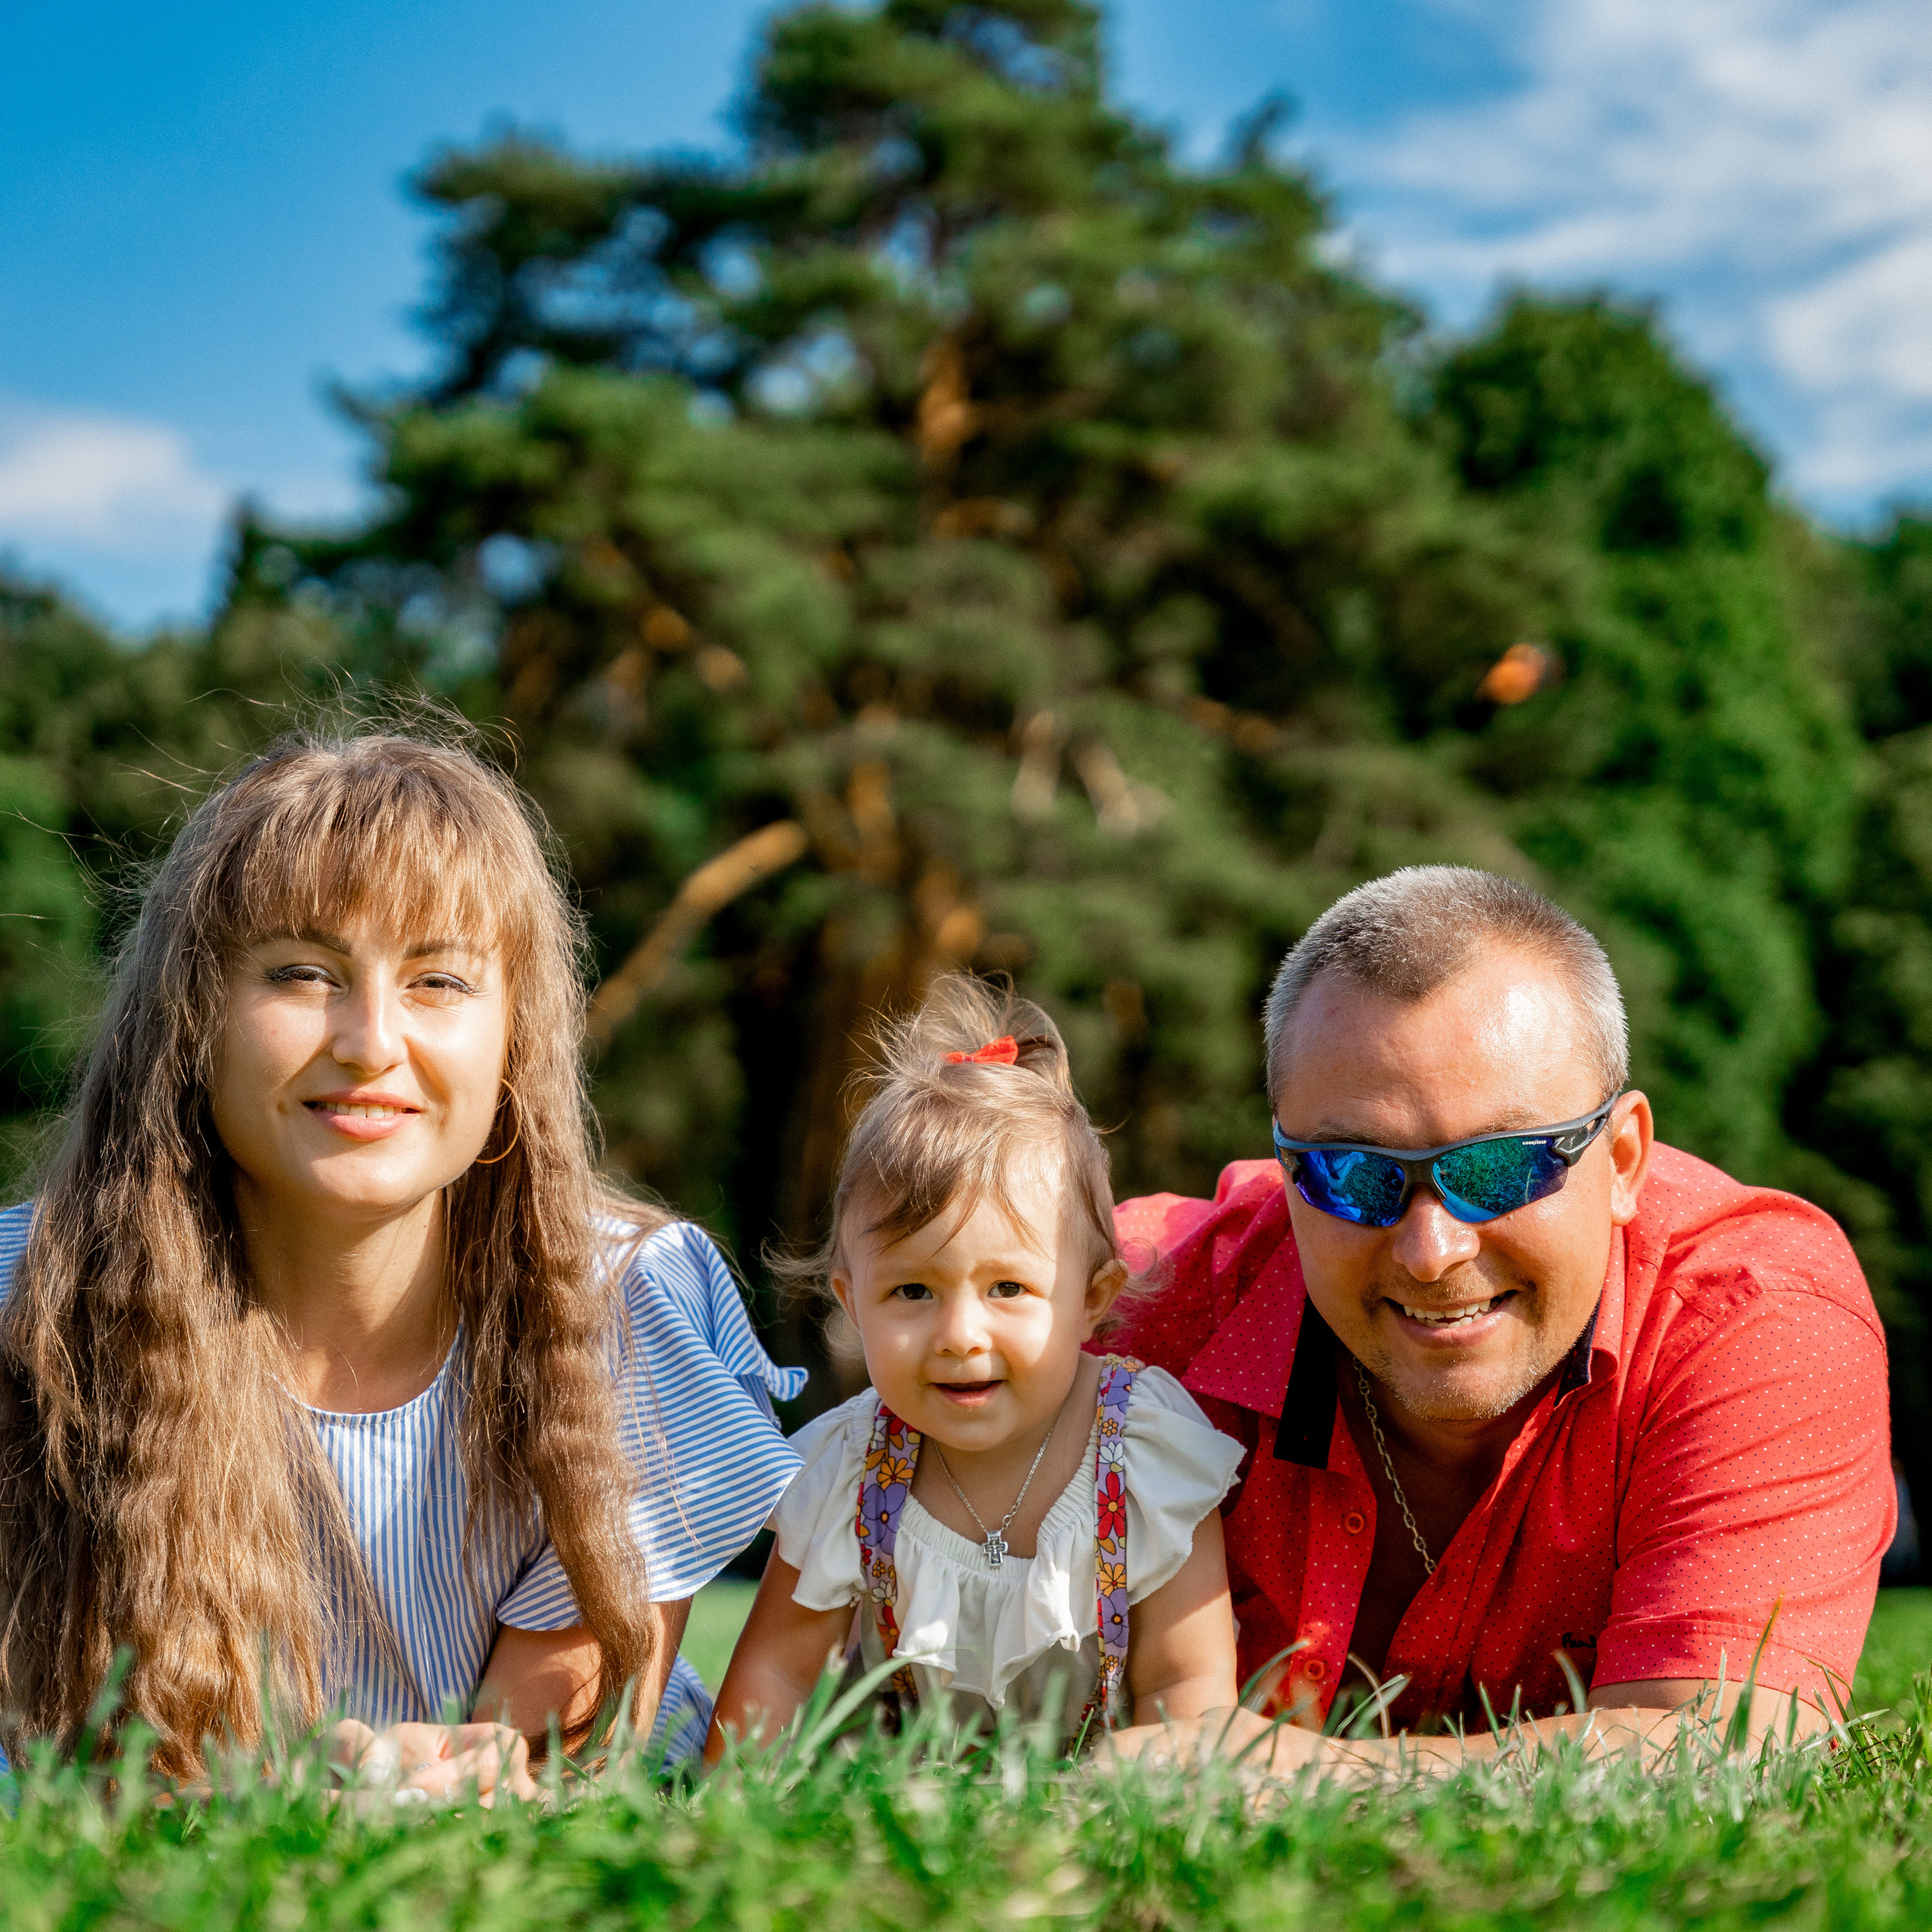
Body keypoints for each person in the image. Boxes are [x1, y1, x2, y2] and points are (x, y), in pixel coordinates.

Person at [0, 727, 804, 1792]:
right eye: (301, 972)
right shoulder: (30, 1294)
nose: (372, 1041)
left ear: (513, 1034)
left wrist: (421, 1782)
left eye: (437, 980)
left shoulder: (628, 1296)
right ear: (190, 1018)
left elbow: (555, 1749)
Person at [1107, 866, 1894, 1774]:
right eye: (1351, 1174)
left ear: (1625, 1157)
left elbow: (1724, 1745)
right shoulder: (1123, 1311)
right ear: (1285, 1169)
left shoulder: (1753, 1317)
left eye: (1500, 1169)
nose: (1431, 1248)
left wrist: (1271, 1775)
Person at [707, 977, 1243, 1757]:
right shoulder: (852, 1468)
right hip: (903, 1809)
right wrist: (733, 1802)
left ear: (1091, 1297)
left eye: (1008, 1288)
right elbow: (778, 1677)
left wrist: (1149, 1789)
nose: (960, 1334)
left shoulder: (1142, 1450)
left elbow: (1185, 1687)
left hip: (1098, 1808)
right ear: (852, 1302)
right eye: (913, 1289)